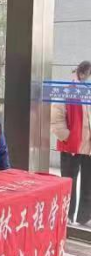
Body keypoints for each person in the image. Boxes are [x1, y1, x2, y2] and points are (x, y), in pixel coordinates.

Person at [52, 61, 91, 227]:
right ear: (82, 73)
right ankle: (66, 215)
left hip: (88, 146)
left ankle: (85, 217)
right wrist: (67, 137)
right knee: (69, 182)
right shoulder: (66, 90)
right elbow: (56, 117)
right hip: (71, 145)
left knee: (88, 182)